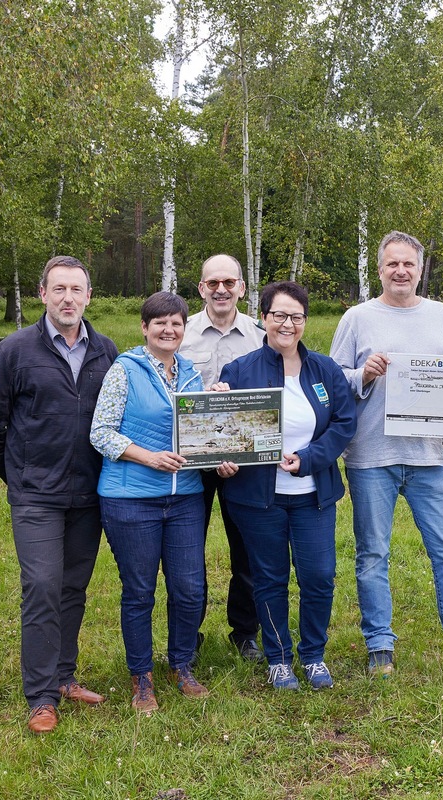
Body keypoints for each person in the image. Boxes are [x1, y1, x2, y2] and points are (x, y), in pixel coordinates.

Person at [329, 230, 443, 676]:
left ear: (420, 270)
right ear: (379, 270)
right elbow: (331, 380)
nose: (400, 271)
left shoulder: (440, 315)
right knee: (373, 553)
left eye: (408, 264)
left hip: (427, 458)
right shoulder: (357, 318)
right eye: (392, 264)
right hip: (370, 455)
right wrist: (364, 373)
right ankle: (379, 643)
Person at [0, 255, 118, 735]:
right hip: (36, 496)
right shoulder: (15, 351)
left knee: (73, 587)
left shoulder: (107, 351)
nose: (68, 298)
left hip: (90, 495)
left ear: (89, 296)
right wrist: (17, 474)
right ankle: (39, 696)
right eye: (59, 289)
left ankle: (64, 676)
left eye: (77, 290)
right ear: (43, 294)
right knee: (41, 586)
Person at [214, 281, 357, 691]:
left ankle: (313, 655)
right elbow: (224, 433)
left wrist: (307, 460)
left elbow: (345, 424)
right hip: (259, 499)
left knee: (319, 575)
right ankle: (278, 658)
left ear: (305, 322)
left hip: (313, 495)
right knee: (269, 577)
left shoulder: (325, 370)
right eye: (279, 315)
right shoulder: (239, 372)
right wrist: (223, 461)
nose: (287, 324)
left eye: (296, 316)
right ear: (263, 319)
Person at [89, 292, 210, 714]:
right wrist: (149, 457)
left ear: (184, 328)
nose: (168, 329)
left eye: (176, 323)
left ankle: (182, 664)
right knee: (140, 591)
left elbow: (203, 433)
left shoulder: (193, 374)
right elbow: (100, 432)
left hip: (186, 499)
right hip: (130, 499)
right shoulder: (124, 370)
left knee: (190, 589)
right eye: (159, 322)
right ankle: (141, 677)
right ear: (144, 328)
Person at [178, 254, 265, 662]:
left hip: (243, 459)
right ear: (201, 289)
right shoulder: (182, 333)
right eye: (212, 283)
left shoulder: (261, 334)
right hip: (192, 459)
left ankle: (244, 632)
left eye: (229, 282)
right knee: (186, 551)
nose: (221, 290)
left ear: (242, 288)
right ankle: (186, 634)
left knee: (247, 550)